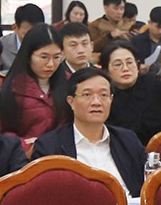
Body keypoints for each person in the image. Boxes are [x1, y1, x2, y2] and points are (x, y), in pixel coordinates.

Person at [29, 67, 146, 196]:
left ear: (111, 100)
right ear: (71, 102)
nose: (96, 102)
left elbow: (147, 185)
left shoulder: (128, 140)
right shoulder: (49, 146)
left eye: (103, 95)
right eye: (87, 95)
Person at [0, 24, 65, 141]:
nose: (51, 64)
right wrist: (26, 145)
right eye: (44, 57)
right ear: (28, 55)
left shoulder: (70, 84)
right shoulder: (11, 88)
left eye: (56, 57)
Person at [101, 39, 161, 147]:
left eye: (129, 62)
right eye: (118, 64)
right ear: (106, 71)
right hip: (124, 151)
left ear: (138, 66)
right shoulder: (104, 96)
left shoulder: (151, 82)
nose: (125, 68)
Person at [129, 6, 161, 76]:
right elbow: (131, 62)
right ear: (149, 23)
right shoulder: (137, 41)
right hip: (144, 78)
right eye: (158, 27)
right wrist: (139, 67)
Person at [0, 3, 44, 73]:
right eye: (27, 34)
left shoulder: (49, 45)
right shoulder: (1, 46)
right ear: (15, 28)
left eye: (37, 33)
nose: (33, 38)